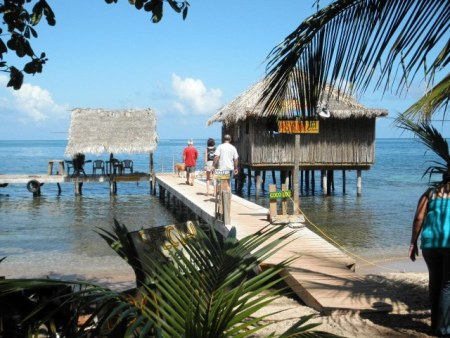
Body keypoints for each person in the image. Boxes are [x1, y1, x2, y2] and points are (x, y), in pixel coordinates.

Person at [409, 172, 450, 337]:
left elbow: (419, 218)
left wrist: (413, 242)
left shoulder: (430, 193)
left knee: (435, 282)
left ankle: (435, 325)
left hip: (430, 244)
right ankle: (444, 329)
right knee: (447, 286)